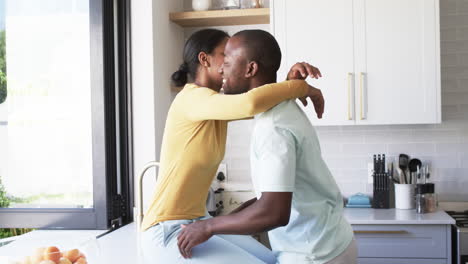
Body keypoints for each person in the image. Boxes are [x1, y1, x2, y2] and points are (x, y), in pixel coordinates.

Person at [140, 28, 325, 264]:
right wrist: (302, 88)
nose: (229, 61)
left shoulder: (216, 105)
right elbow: (251, 103)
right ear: (204, 59)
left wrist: (290, 82)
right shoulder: (191, 99)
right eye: (224, 55)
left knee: (271, 261)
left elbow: (263, 104)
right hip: (166, 230)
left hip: (195, 221)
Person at [177, 30, 357, 264]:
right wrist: (222, 223)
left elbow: (274, 212)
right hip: (330, 243)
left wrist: (209, 226)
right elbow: (271, 198)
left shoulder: (273, 128)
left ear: (250, 69)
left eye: (228, 62)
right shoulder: (281, 109)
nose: (222, 69)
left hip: (314, 255)